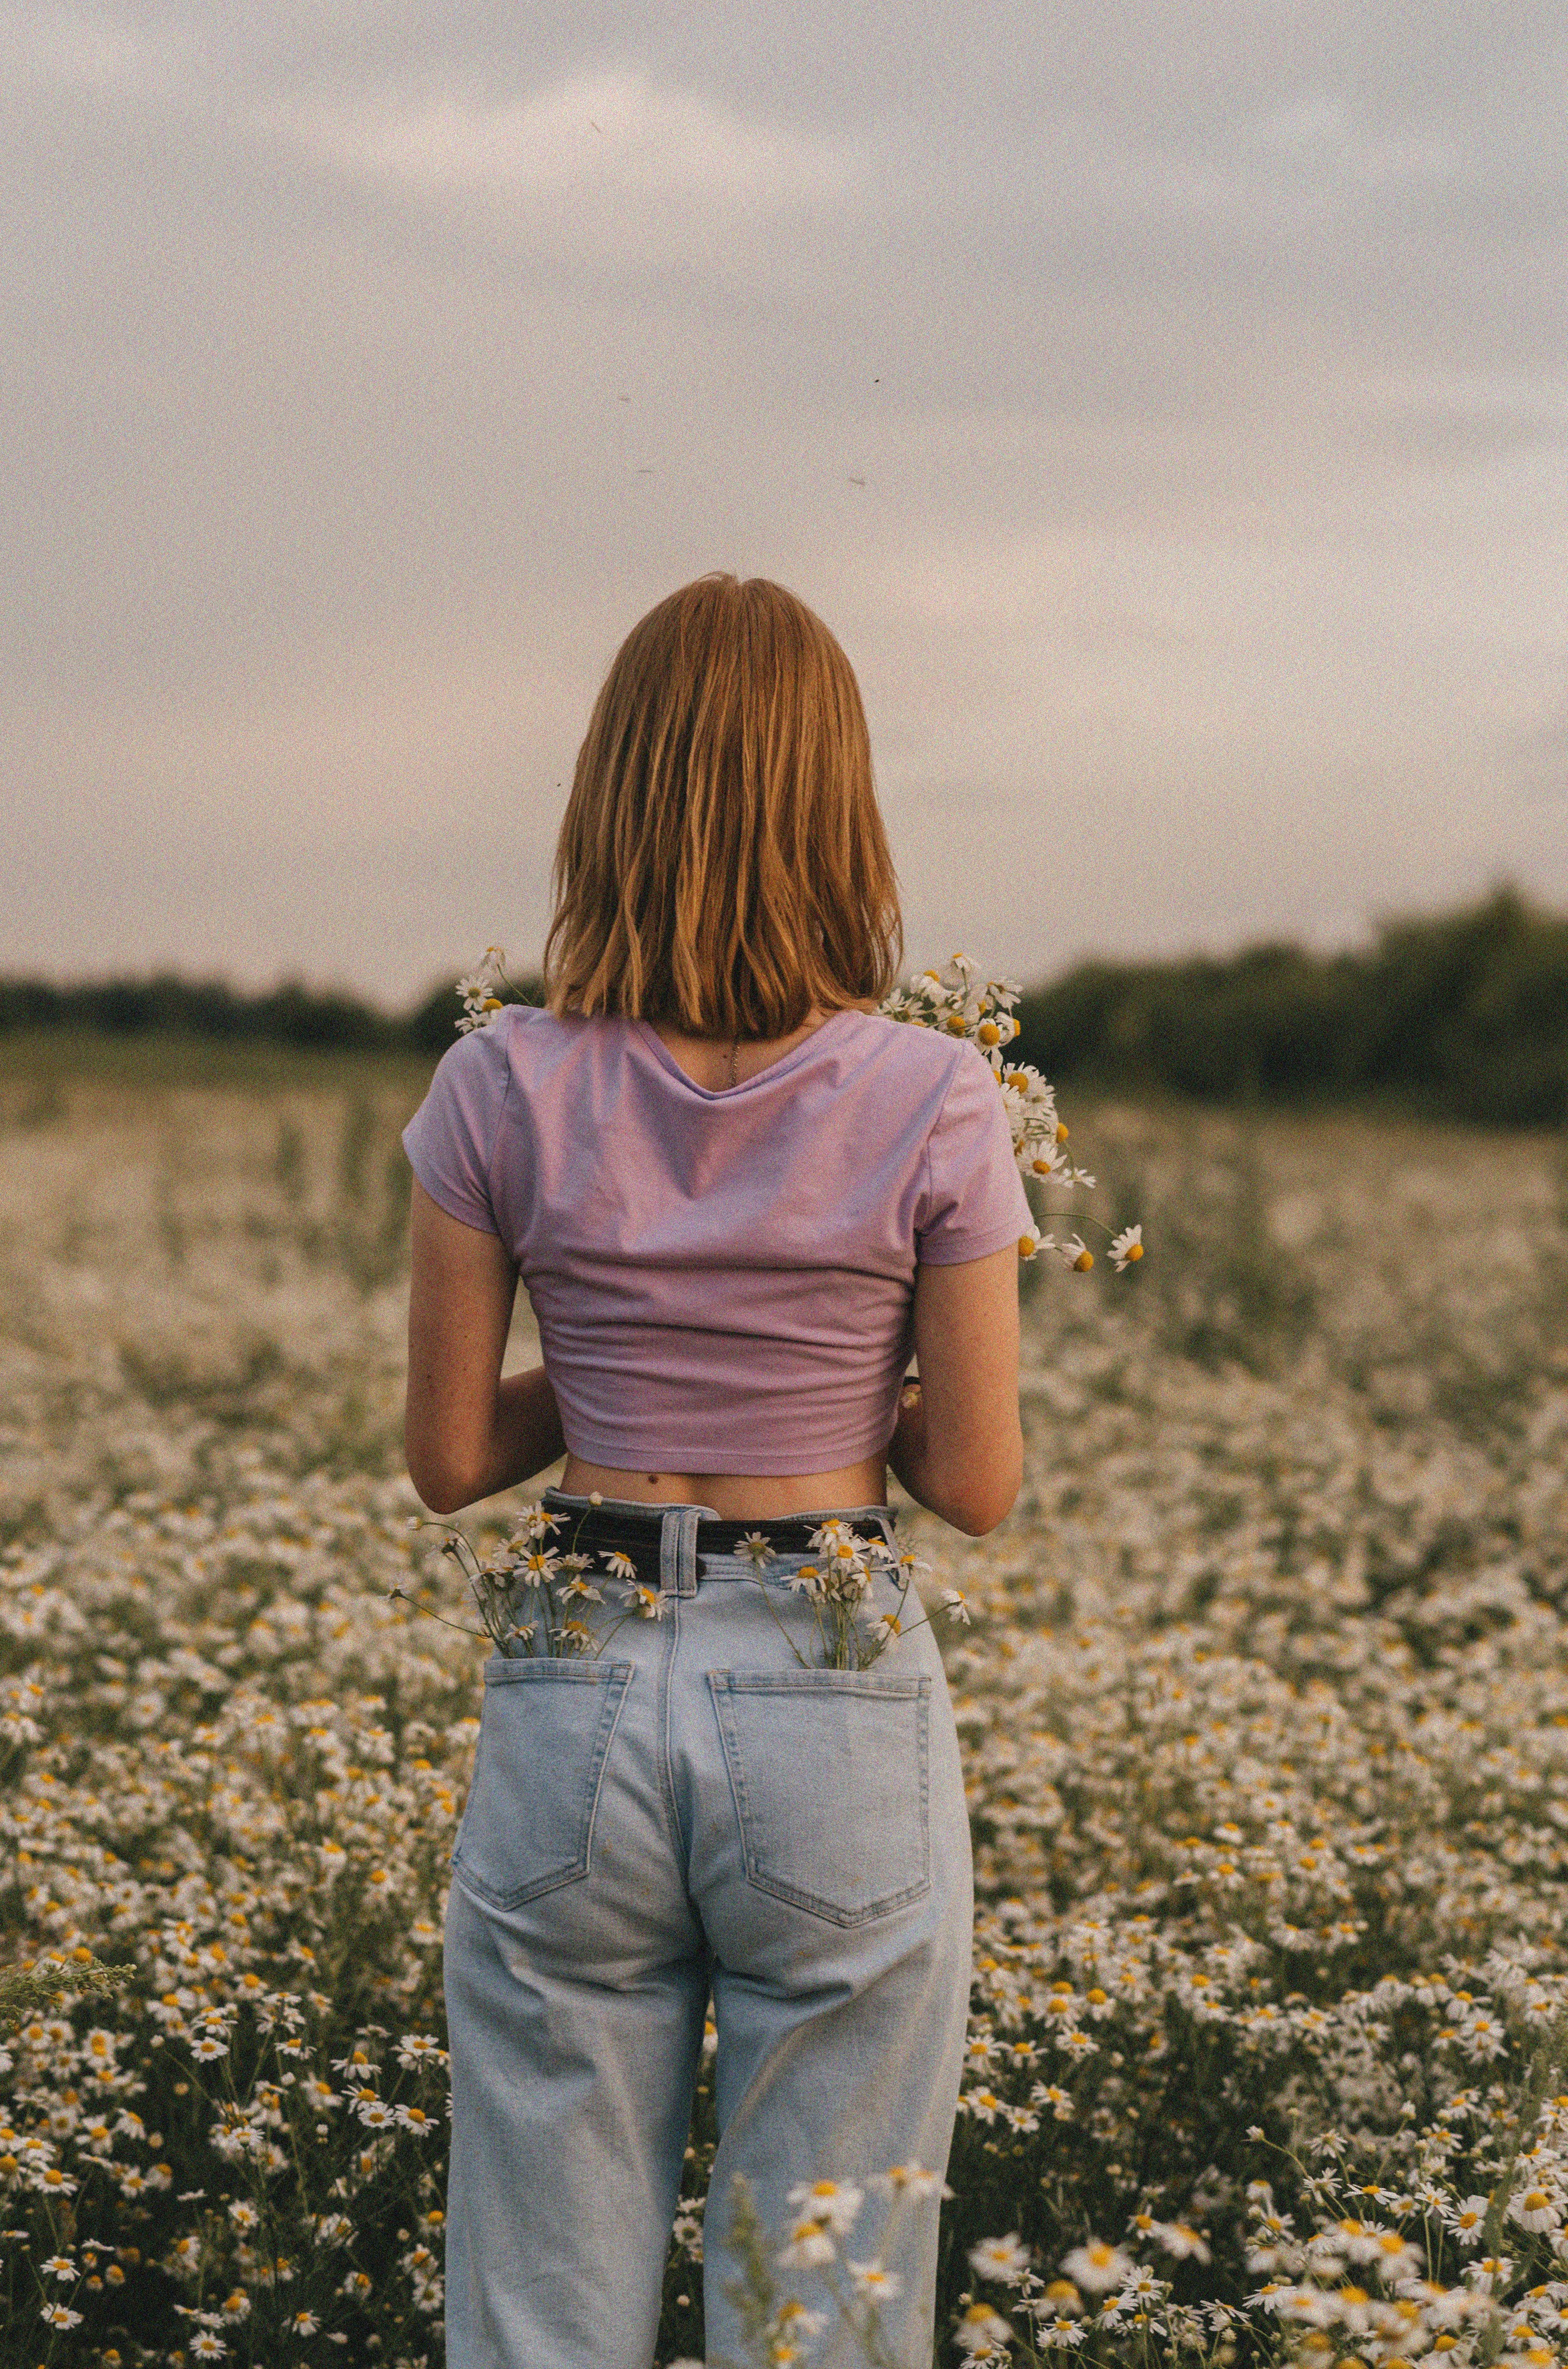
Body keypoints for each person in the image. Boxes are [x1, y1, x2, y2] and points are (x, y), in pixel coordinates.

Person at [401, 573, 1029, 2368]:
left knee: (537, 2299)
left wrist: (614, 1367)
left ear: (609, 796)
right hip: (827, 1681)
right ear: (844, 813)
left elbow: (452, 1455)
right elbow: (975, 1476)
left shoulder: (495, 1083)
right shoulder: (935, 1098)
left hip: (578, 1671)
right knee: (819, 2307)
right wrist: (843, 1386)